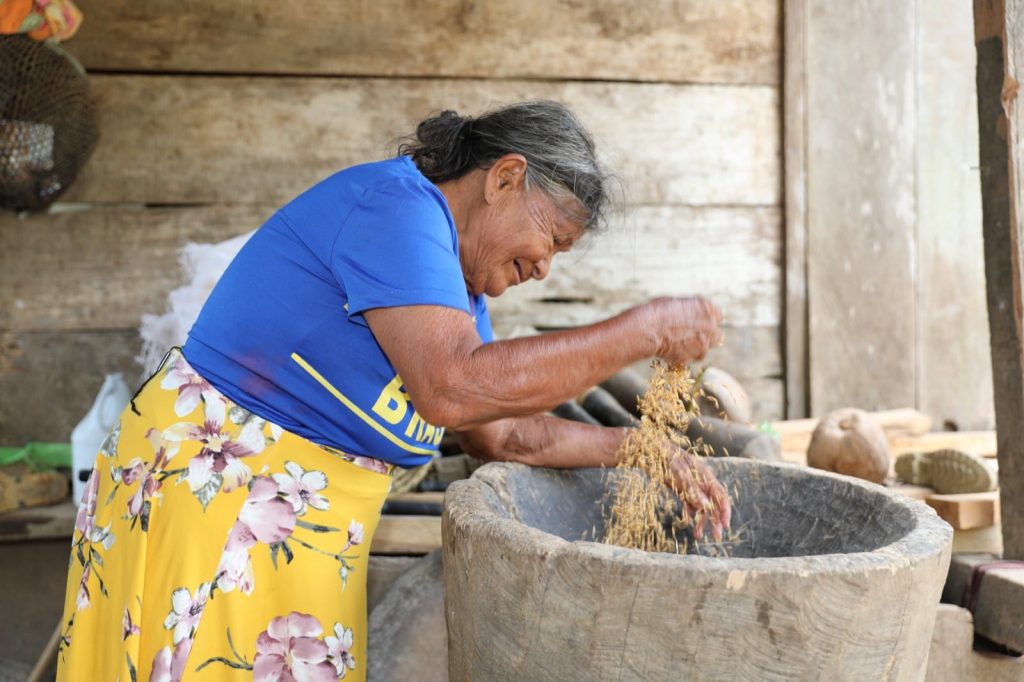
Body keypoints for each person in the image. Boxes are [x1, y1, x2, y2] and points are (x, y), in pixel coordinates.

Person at [56, 100, 730, 681]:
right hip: (216, 500)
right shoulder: (397, 210)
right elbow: (453, 390)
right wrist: (643, 329)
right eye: (551, 238)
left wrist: (637, 448)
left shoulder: (456, 290)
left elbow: (502, 433)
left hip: (298, 529)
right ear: (505, 176)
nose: (544, 267)